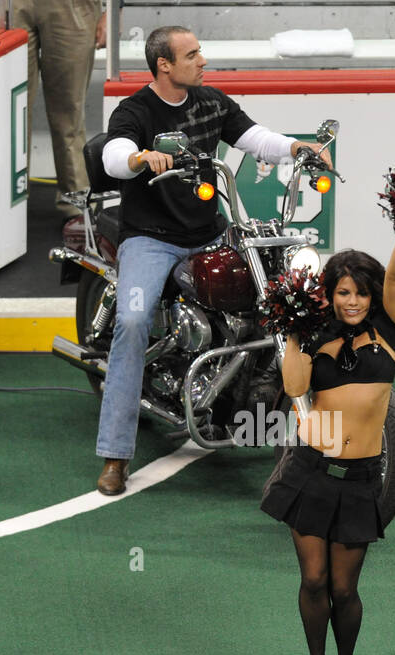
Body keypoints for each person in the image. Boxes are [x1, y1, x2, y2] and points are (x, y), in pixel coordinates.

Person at [94, 25, 329, 494]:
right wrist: (141, 159)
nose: (203, 61)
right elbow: (112, 154)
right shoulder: (135, 110)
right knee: (135, 320)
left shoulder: (211, 101)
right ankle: (115, 455)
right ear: (164, 64)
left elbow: (253, 136)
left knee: (273, 297)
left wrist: (295, 147)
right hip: (151, 238)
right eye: (193, 54)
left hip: (209, 233)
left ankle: (248, 405)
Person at [260, 235, 395, 655]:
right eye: (343, 292)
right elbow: (294, 385)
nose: (353, 301)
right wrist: (292, 330)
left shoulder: (389, 329)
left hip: (360, 480)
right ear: (328, 295)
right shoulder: (313, 333)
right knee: (313, 581)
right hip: (309, 474)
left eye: (361, 293)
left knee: (345, 590)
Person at [0, 0, 106, 214]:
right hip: (13, 4)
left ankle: (76, 204)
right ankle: (9, 204)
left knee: (69, 111)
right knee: (11, 110)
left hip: (74, 6)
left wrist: (115, 10)